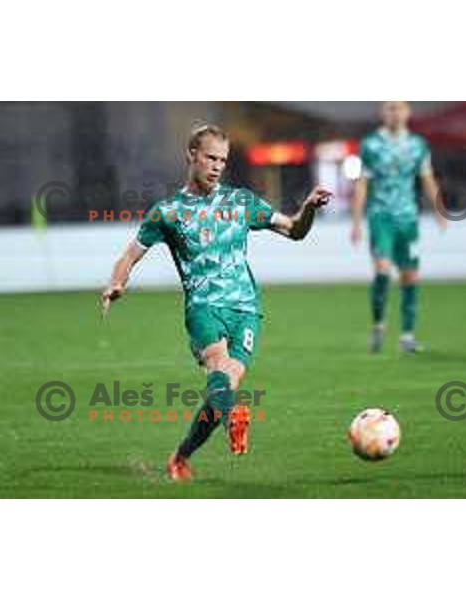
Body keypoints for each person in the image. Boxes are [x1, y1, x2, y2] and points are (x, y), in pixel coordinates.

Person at [101, 123, 332, 481]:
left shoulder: (241, 202)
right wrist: (116, 284)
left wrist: (309, 208)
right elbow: (130, 255)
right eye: (210, 157)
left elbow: (294, 231)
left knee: (223, 388)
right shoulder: (169, 212)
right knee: (217, 366)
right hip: (204, 308)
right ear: (191, 156)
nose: (217, 166)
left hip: (247, 311)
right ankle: (232, 420)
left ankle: (181, 455)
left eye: (223, 160)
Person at [351, 101, 447, 354]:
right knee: (383, 271)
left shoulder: (418, 145)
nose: (395, 113)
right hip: (380, 217)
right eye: (390, 108)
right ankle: (379, 324)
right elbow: (361, 183)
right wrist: (356, 222)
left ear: (408, 112)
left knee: (410, 277)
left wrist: (439, 209)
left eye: (399, 107)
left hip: (408, 219)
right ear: (383, 113)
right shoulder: (370, 145)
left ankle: (407, 336)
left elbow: (427, 178)